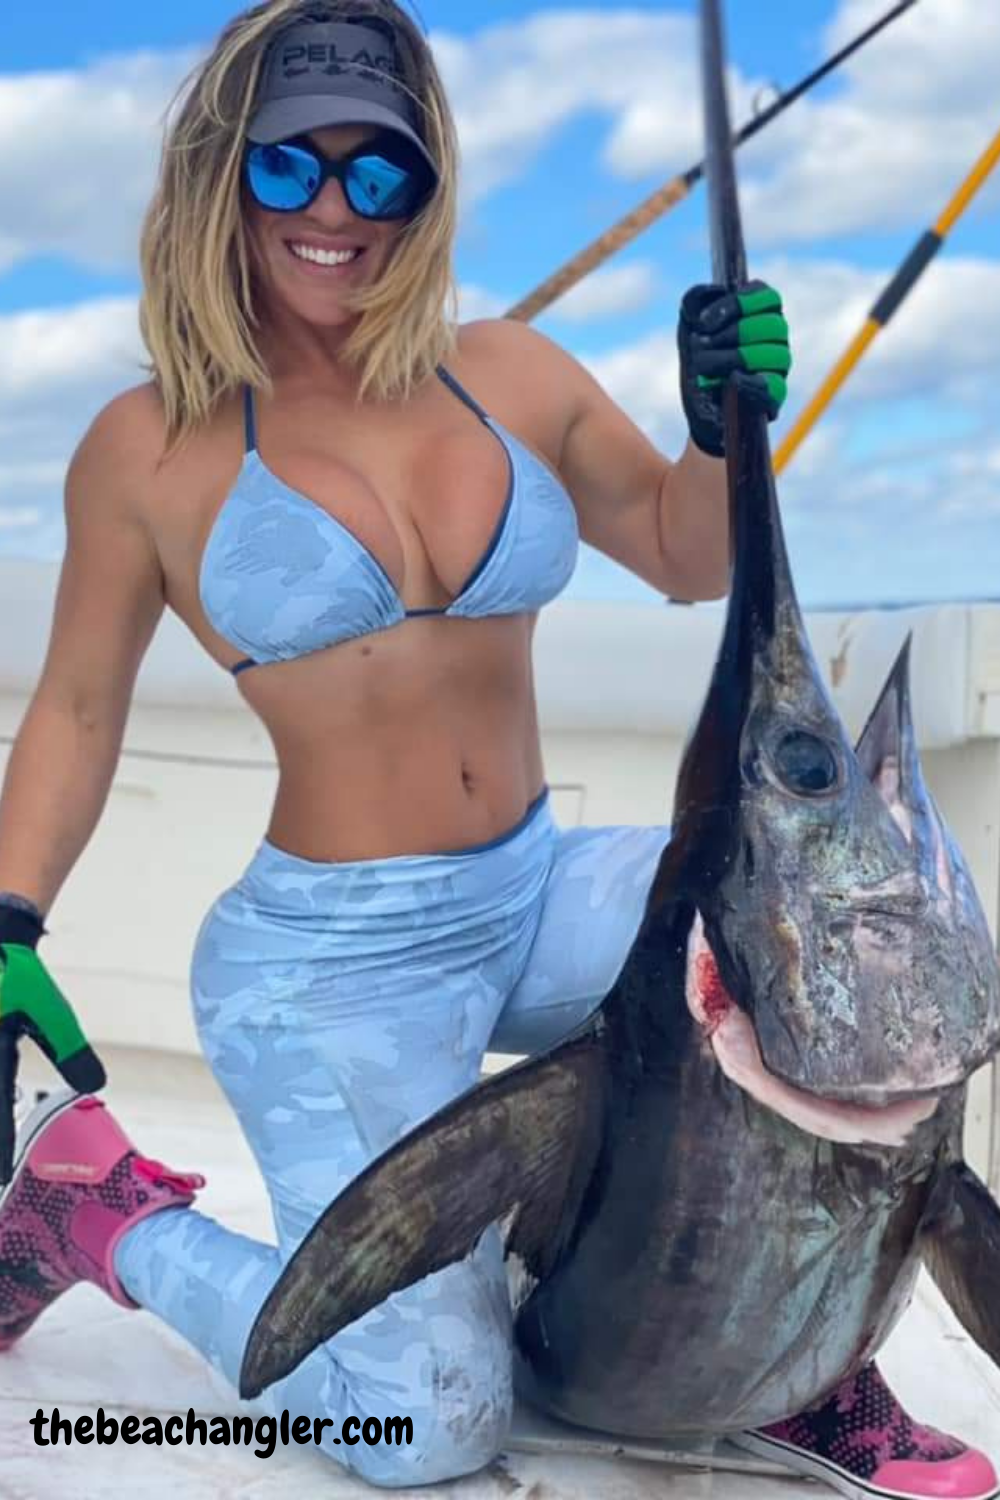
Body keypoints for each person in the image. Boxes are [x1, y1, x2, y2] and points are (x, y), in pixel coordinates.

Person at [0, 3, 993, 1497]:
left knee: (843, 962)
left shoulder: (510, 372)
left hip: (535, 892)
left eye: (377, 173)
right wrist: (9, 921)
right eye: (291, 172)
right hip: (331, 961)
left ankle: (801, 1366)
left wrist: (725, 426)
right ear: (223, 176)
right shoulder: (147, 447)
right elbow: (78, 709)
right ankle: (97, 1210)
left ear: (426, 188)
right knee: (423, 1429)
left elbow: (680, 550)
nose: (336, 211)